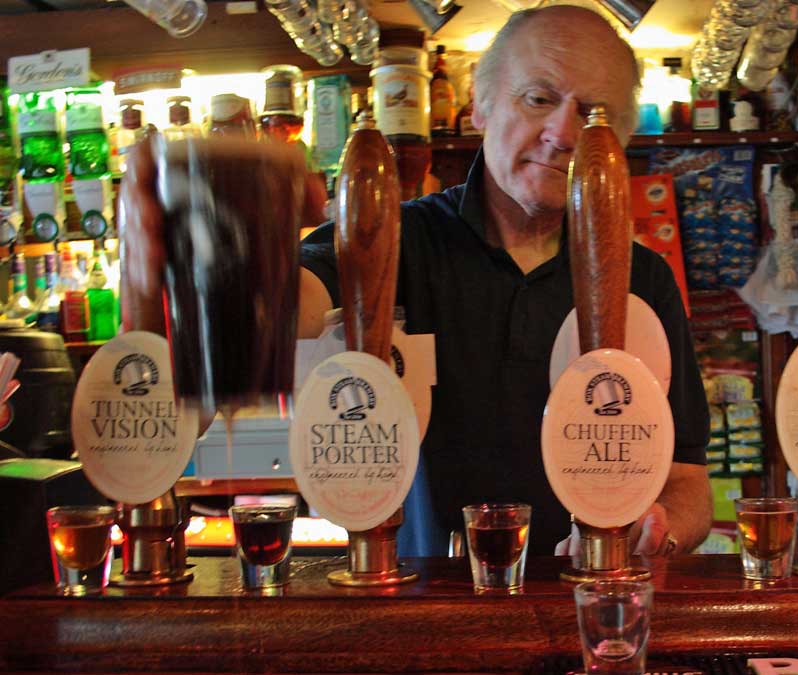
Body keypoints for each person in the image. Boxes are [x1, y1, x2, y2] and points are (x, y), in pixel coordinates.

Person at [122, 5, 713, 557]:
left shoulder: (645, 279)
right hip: (417, 605)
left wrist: (659, 526)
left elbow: (688, 484)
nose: (563, 132)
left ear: (620, 142)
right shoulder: (385, 241)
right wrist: (213, 261)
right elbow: (283, 315)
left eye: (593, 114)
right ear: (481, 106)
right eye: (538, 98)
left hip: (589, 607)